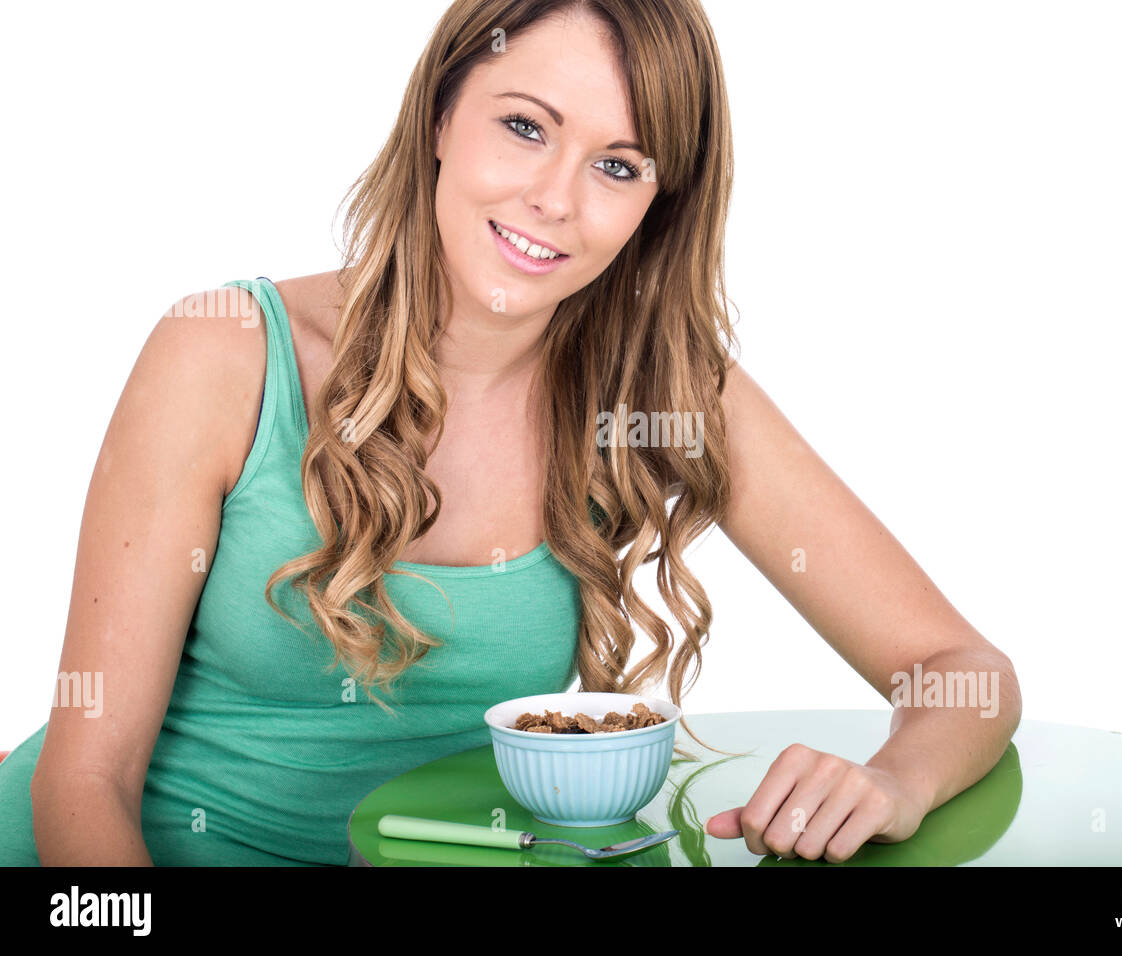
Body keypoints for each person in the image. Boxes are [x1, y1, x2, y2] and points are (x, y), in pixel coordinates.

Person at [0, 0, 1020, 866]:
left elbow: (959, 667)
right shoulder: (222, 353)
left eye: (618, 166)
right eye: (526, 127)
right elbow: (85, 777)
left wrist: (893, 781)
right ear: (442, 112)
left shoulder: (660, 392)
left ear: (655, 209)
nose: (555, 199)